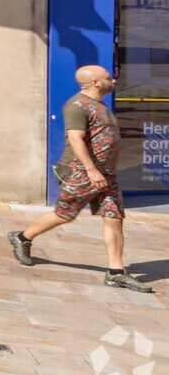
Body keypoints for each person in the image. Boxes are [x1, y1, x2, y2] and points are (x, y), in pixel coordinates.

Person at [9, 65, 152, 292]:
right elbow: (76, 139)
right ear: (95, 82)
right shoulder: (77, 105)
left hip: (106, 175)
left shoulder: (100, 104)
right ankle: (22, 237)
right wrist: (91, 170)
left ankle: (115, 272)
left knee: (114, 217)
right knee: (64, 214)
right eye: (108, 78)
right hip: (82, 172)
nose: (113, 81)